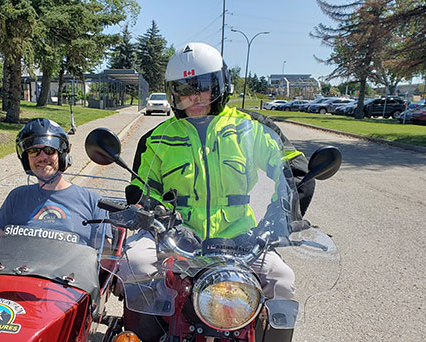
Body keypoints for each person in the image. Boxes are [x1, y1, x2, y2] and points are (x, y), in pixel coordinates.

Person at [123, 42, 298, 301]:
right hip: (174, 237)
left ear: (220, 86)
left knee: (281, 278)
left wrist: (276, 218)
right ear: (173, 94)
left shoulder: (251, 128)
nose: (194, 97)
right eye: (184, 90)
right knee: (133, 264)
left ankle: (260, 340)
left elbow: (293, 170)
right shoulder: (156, 138)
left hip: (241, 238)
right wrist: (167, 222)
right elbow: (142, 191)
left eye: (203, 87)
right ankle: (148, 335)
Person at [0, 118, 108, 247]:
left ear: (62, 156)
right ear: (26, 159)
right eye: (34, 151)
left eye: (49, 150)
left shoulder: (93, 202)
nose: (42, 157)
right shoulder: (16, 196)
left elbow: (105, 255)